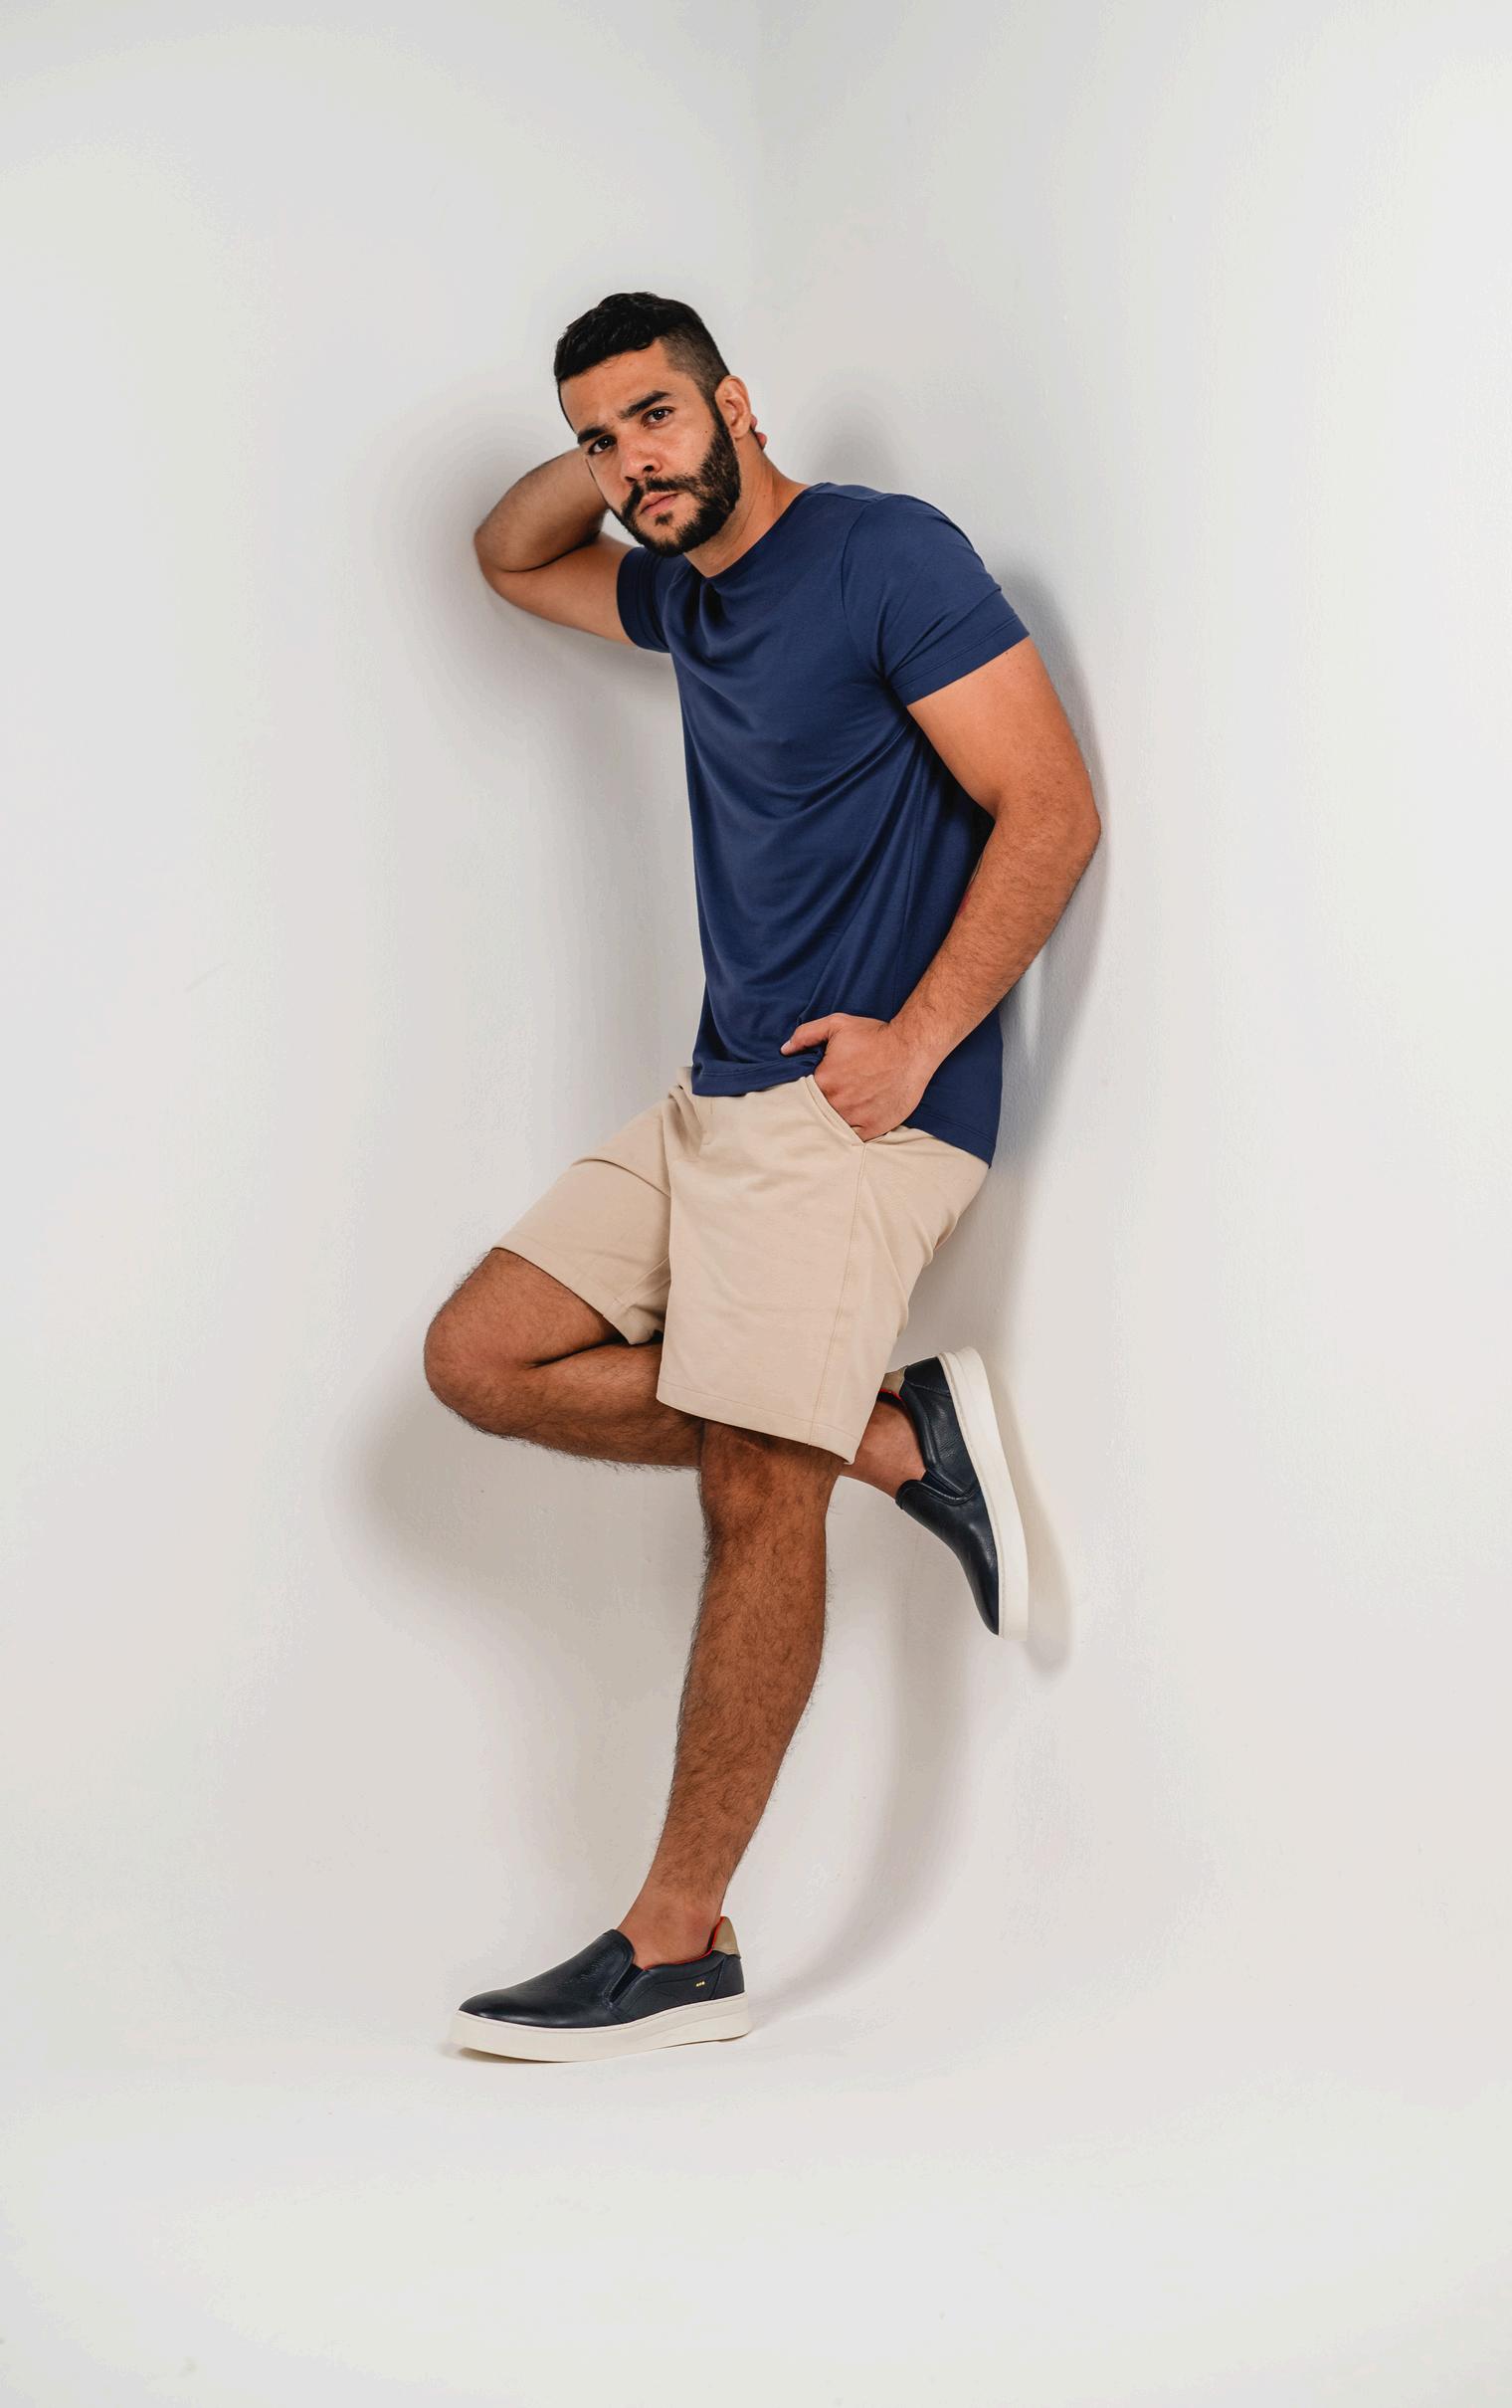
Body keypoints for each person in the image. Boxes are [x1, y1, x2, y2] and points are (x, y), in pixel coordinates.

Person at [426, 291, 1100, 2062]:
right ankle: (888, 1433)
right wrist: (619, 476)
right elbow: (506, 556)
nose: (625, 462)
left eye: (654, 417)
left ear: (737, 400)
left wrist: (915, 1040)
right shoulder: (686, 595)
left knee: (750, 1484)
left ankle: (675, 1947)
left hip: (854, 1116)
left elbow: (1050, 809)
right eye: (597, 437)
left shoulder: (883, 555)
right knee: (478, 1357)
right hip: (712, 1098)